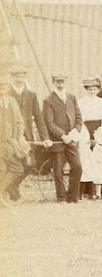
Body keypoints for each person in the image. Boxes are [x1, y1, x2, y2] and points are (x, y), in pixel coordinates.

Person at [7, 63, 50, 200]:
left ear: (25, 77)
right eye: (16, 76)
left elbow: (39, 117)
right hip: (10, 136)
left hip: (27, 136)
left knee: (30, 163)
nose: (19, 79)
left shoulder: (31, 95)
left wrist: (45, 137)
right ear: (11, 77)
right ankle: (11, 192)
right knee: (12, 165)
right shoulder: (5, 94)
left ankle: (11, 187)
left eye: (21, 76)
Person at [42, 74, 83, 203]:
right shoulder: (48, 101)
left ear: (66, 82)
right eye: (58, 82)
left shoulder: (71, 97)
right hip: (57, 141)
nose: (60, 84)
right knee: (58, 171)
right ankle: (61, 197)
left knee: (77, 167)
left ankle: (73, 196)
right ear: (53, 82)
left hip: (72, 140)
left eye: (62, 82)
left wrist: (76, 131)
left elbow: (78, 118)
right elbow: (49, 123)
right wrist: (63, 136)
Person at [77, 78, 102, 198]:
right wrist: (84, 135)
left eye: (94, 89)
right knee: (86, 160)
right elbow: (79, 120)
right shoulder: (81, 102)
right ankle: (87, 191)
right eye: (89, 89)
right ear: (86, 90)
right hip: (86, 131)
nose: (92, 91)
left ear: (98, 90)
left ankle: (100, 191)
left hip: (99, 131)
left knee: (99, 160)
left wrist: (100, 135)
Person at [0, 75, 30, 207]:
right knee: (3, 170)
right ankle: (3, 197)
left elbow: (19, 121)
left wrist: (19, 137)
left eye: (4, 87)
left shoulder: (11, 101)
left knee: (17, 169)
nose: (2, 90)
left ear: (7, 88)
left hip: (11, 143)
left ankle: (2, 193)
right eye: (0, 87)